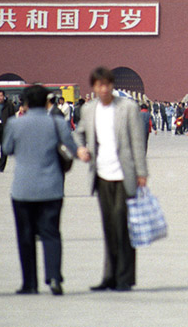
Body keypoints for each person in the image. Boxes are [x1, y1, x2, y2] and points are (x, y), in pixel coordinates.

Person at [2, 85, 82, 295]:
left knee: (25, 236)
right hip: (51, 188)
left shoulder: (14, 124)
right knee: (51, 233)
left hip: (23, 189)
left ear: (25, 103)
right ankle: (54, 277)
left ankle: (30, 283)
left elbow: (7, 149)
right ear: (47, 101)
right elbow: (72, 148)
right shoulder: (57, 123)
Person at [74, 67, 148, 292]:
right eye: (99, 85)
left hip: (124, 174)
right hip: (101, 174)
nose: (103, 89)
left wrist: (141, 173)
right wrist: (80, 149)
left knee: (122, 226)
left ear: (112, 85)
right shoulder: (89, 109)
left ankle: (124, 277)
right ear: (94, 87)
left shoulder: (127, 108)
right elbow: (78, 132)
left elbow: (137, 141)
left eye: (107, 84)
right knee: (108, 226)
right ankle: (109, 276)